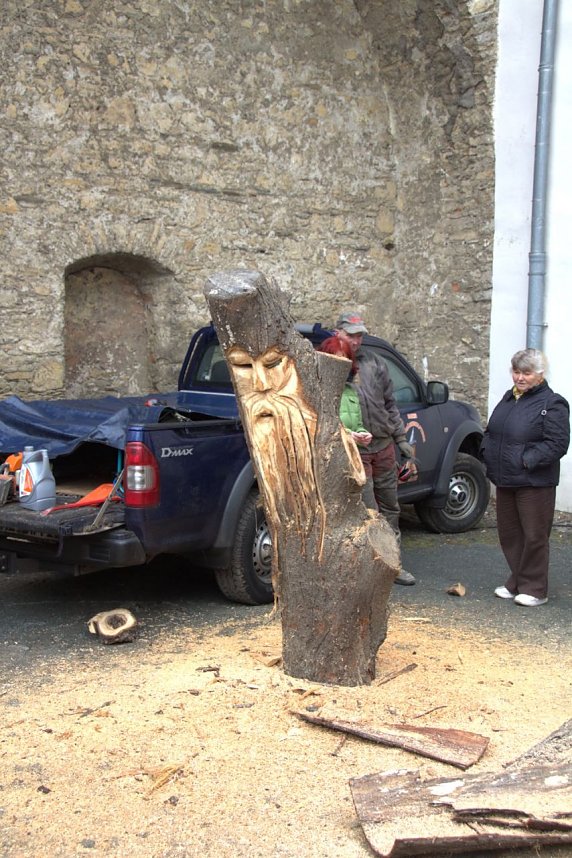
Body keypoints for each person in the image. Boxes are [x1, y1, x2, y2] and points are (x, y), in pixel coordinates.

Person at [480, 348, 570, 607]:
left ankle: (535, 588)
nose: (520, 377)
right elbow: (493, 431)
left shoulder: (552, 403)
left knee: (534, 535)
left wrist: (526, 460)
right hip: (506, 478)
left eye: (527, 373)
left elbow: (557, 443)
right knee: (510, 534)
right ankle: (518, 581)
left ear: (540, 375)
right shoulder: (510, 398)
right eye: (517, 371)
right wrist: (487, 451)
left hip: (534, 482)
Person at [334, 312, 416, 586]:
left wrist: (401, 439)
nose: (356, 340)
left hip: (383, 446)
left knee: (391, 507)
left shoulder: (375, 363)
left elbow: (390, 404)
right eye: (351, 335)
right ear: (338, 333)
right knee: (367, 511)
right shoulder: (332, 363)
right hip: (355, 450)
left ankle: (393, 565)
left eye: (360, 335)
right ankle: (368, 568)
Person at [318, 336, 372, 449]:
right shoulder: (317, 389)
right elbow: (319, 427)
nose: (340, 366)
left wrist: (362, 434)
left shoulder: (350, 391)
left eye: (345, 361)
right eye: (336, 360)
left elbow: (357, 425)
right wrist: (347, 434)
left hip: (349, 452)